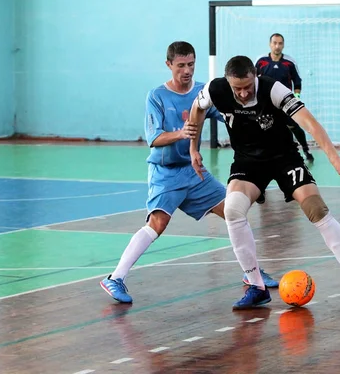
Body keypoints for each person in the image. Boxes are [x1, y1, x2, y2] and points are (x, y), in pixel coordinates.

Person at [188, 55, 340, 311]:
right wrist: (193, 149)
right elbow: (197, 110)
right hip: (248, 161)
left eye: (247, 86)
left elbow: (310, 122)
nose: (242, 93)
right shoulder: (214, 89)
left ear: (255, 76)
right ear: (228, 82)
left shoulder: (273, 89)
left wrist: (335, 159)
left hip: (283, 157)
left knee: (316, 209)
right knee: (232, 210)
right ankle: (256, 286)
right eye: (237, 88)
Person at [99, 43, 278, 304]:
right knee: (157, 224)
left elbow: (230, 114)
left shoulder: (202, 92)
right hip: (166, 174)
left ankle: (252, 274)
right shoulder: (157, 96)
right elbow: (154, 138)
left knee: (234, 212)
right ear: (169, 65)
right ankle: (115, 278)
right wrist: (182, 133)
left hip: (195, 173)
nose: (187, 70)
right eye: (181, 65)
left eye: (191, 64)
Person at [255, 33, 314, 163]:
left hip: (285, 101)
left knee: (293, 126)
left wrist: (296, 97)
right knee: (263, 126)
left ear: (283, 45)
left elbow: (297, 82)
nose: (277, 46)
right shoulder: (261, 61)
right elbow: (253, 80)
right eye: (274, 43)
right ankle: (263, 153)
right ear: (270, 44)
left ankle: (305, 149)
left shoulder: (289, 62)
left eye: (280, 43)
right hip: (266, 102)